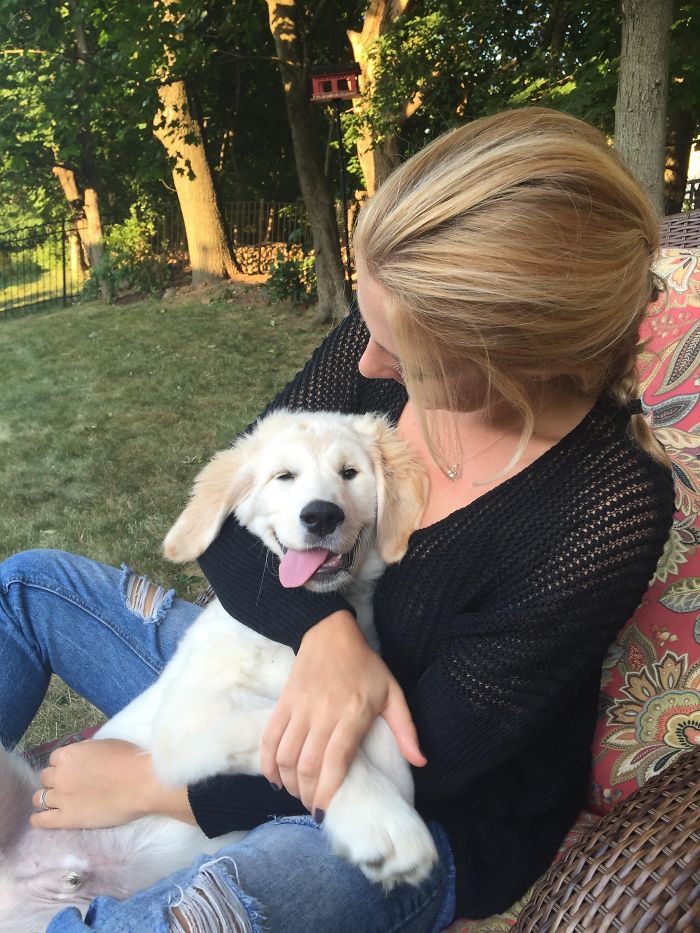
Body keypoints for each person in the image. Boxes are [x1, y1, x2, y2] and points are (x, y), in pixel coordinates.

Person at [0, 107, 675, 932]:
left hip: (409, 801)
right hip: (269, 667)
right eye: (370, 323)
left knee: (228, 900)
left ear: (513, 360)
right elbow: (234, 516)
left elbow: (424, 759)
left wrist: (153, 784)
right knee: (29, 586)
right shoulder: (387, 326)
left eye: (404, 357)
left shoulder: (605, 503)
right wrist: (326, 638)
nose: (366, 364)